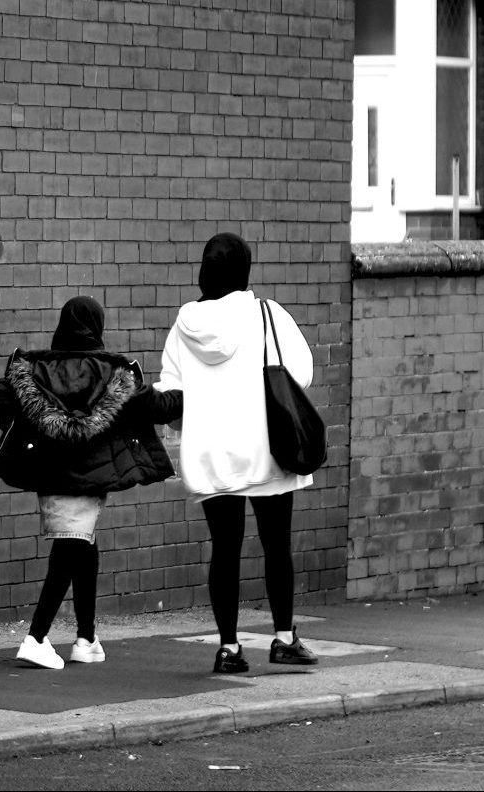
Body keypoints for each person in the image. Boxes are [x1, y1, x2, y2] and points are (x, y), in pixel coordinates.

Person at [157, 232, 319, 674]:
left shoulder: (185, 324)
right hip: (268, 450)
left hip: (212, 455)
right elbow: (300, 372)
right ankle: (284, 638)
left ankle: (228, 648)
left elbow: (172, 393)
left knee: (224, 550)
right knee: (276, 544)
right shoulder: (266, 312)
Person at [0, 295, 178, 669]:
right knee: (70, 549)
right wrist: (199, 393)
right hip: (91, 477)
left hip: (51, 472)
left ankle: (86, 638)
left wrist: (31, 428)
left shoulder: (34, 369)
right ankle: (37, 637)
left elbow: (0, 394)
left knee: (81, 546)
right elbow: (156, 407)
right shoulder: (113, 372)